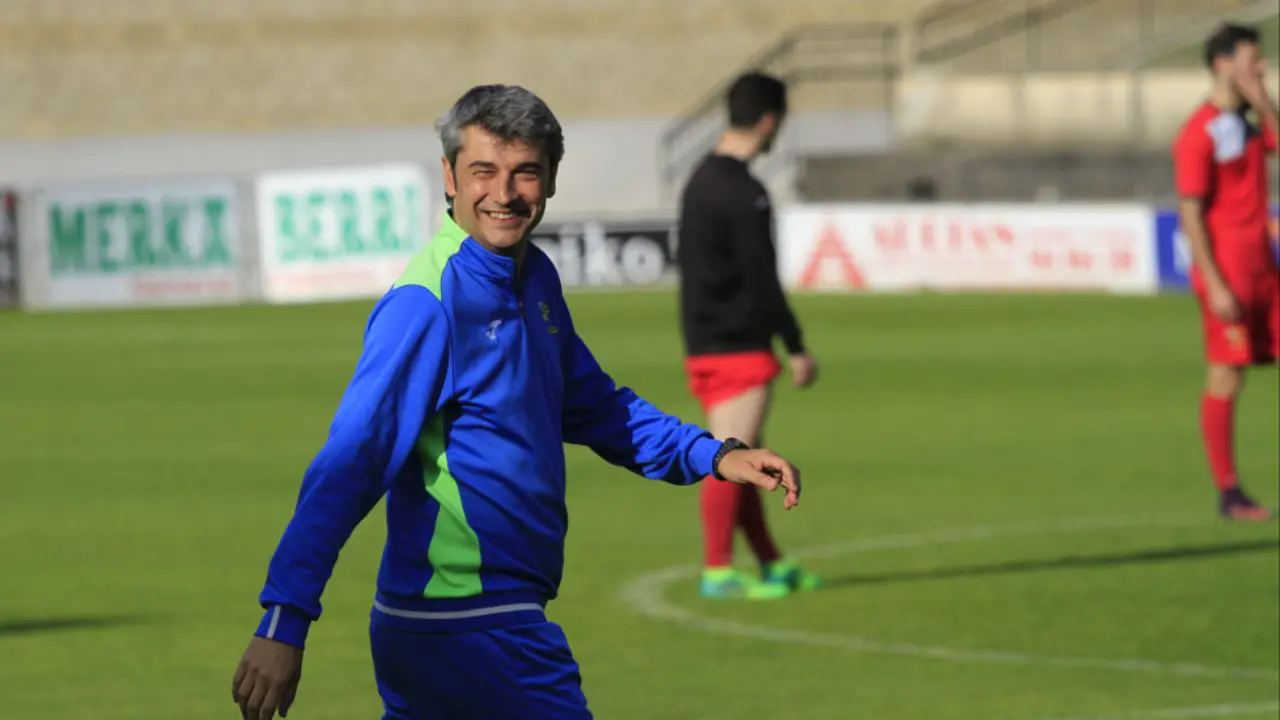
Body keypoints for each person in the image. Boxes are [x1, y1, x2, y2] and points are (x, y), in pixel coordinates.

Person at [230, 84, 805, 720]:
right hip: (475, 621)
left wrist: (714, 454)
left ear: (551, 179)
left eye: (524, 172)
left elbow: (594, 406)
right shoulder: (429, 302)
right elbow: (353, 459)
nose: (504, 194)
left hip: (451, 624)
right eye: (483, 172)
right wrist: (284, 620)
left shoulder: (534, 277)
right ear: (449, 177)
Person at [675, 72, 823, 600]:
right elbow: (761, 279)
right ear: (769, 121)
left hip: (705, 339)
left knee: (748, 458)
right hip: (736, 344)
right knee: (728, 457)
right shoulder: (744, 191)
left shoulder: (698, 181)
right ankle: (718, 571)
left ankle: (772, 565)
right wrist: (796, 344)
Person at [1172, 23, 1278, 523]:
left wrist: (1264, 99)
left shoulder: (1253, 123)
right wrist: (1213, 282)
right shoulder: (1199, 132)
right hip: (1229, 272)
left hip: (1264, 268)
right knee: (1226, 376)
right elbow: (1190, 214)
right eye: (1252, 61)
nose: (1259, 68)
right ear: (1222, 64)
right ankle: (1229, 492)